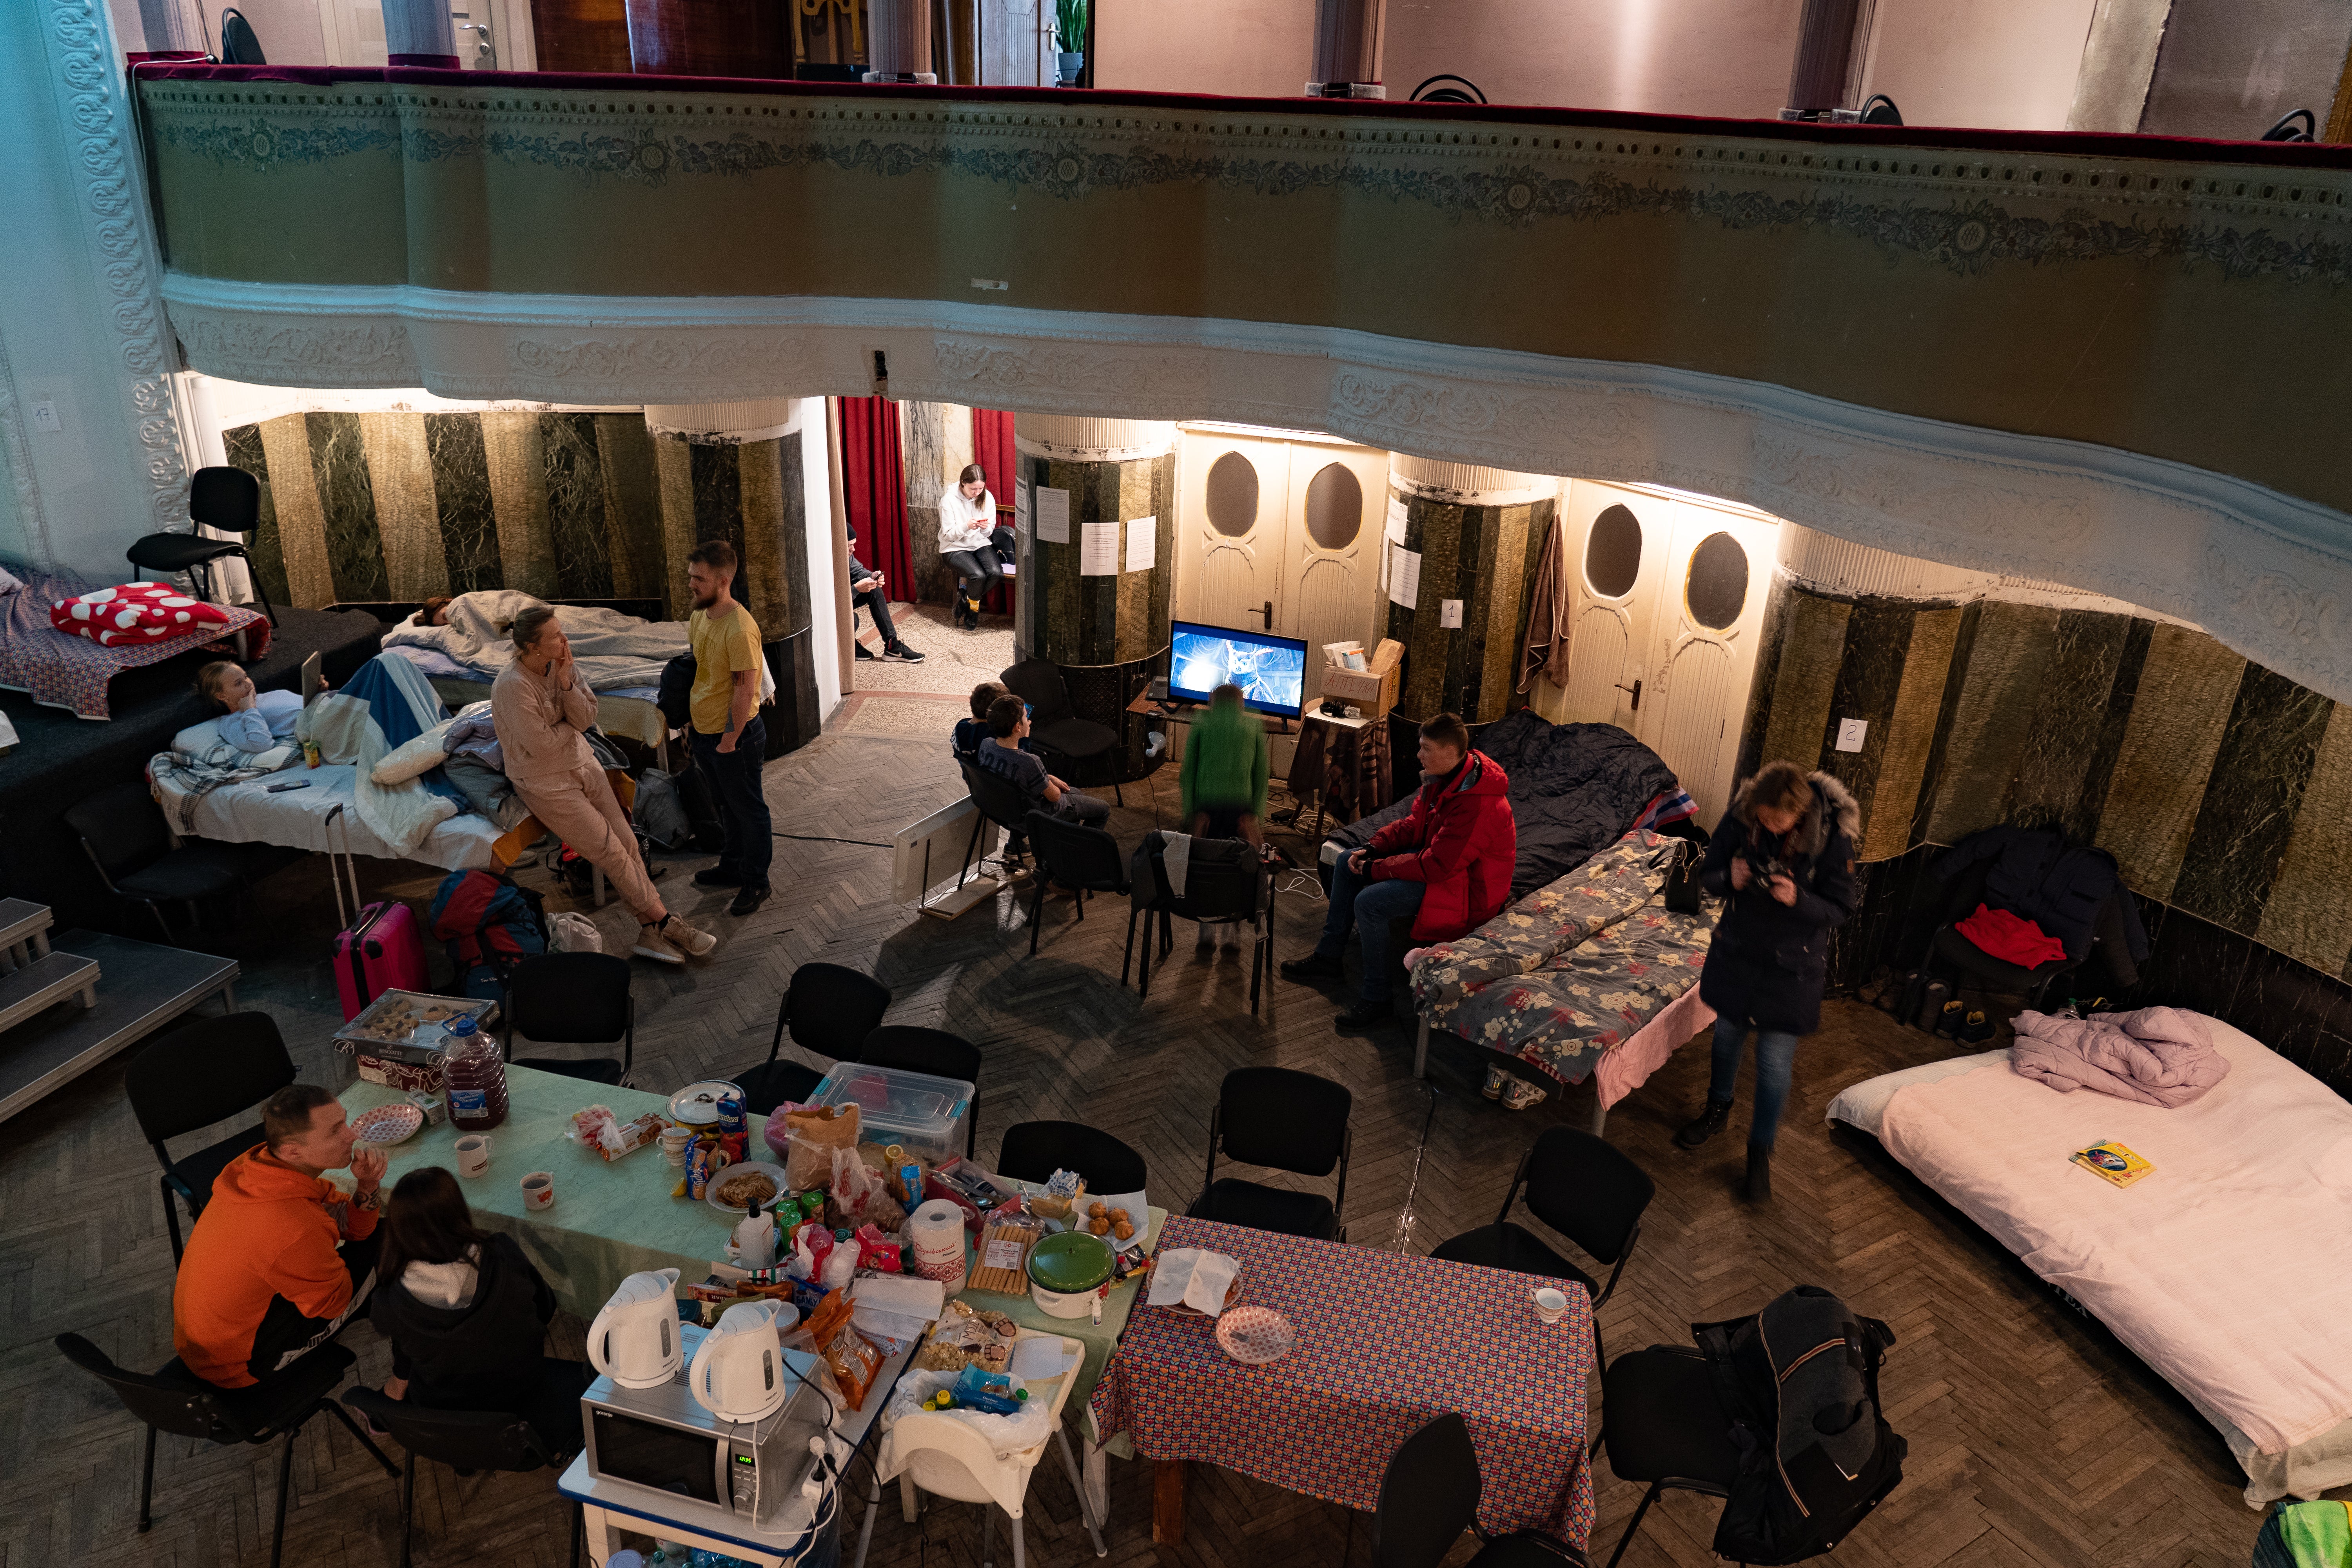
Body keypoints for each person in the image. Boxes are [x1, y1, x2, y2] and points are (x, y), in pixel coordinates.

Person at [493, 603, 716, 965]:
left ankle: (649, 933)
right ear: (533, 647)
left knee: (627, 841)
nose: (566, 640)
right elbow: (541, 746)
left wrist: (566, 684)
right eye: (556, 636)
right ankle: (665, 922)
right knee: (609, 851)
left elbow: (587, 717)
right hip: (545, 782)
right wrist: (569, 727)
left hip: (583, 764)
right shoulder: (512, 686)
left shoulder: (563, 664)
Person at [1677, 760, 1858, 1202]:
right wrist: (1730, 878)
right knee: (1725, 1037)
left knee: (1775, 1065)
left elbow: (1841, 909)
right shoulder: (1744, 814)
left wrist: (1799, 898)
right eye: (1763, 818)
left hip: (1791, 969)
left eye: (1778, 821)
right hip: (1738, 952)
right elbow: (1710, 873)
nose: (1768, 826)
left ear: (1801, 813)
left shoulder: (1832, 837)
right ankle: (1717, 1108)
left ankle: (1759, 1151)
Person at [1281, 712, 1514, 1035]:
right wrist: (1374, 848)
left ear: (1453, 752)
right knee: (1348, 859)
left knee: (1370, 902)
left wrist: (1376, 869)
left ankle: (1378, 999)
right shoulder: (1446, 779)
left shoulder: (1480, 803)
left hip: (1467, 891)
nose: (1419, 755)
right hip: (1445, 871)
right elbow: (1413, 824)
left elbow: (1438, 866)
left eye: (1426, 748)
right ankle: (1328, 958)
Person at [171, 1085, 387, 1388]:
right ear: (292, 1151)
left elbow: (350, 1225)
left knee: (375, 1235)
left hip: (208, 1339)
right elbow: (335, 1305)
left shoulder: (258, 1170)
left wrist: (367, 1185)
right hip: (239, 1366)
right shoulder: (294, 1227)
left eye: (345, 1121)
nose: (352, 1135)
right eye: (336, 1131)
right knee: (390, 1245)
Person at [367, 1167, 592, 1454]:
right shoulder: (501, 1251)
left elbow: (408, 1349)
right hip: (523, 1391)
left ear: (396, 1229)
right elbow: (546, 1307)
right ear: (460, 1211)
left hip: (446, 1418)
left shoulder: (390, 1302)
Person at [685, 540, 775, 916]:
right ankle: (732, 867)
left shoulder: (740, 629)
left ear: (724, 581)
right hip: (705, 732)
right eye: (690, 576)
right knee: (725, 806)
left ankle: (757, 881)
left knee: (749, 810)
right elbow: (703, 672)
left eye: (699, 579)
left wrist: (730, 739)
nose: (691, 584)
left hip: (734, 738)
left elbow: (745, 688)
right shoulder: (700, 615)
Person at [978, 693, 1108, 825]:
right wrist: (1048, 781)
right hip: (1040, 814)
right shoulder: (1030, 762)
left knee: (1076, 793)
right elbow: (1055, 797)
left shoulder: (986, 745)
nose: (1029, 721)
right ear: (1017, 727)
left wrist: (1048, 778)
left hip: (1008, 811)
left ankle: (1016, 845)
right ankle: (1080, 844)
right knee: (1104, 810)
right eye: (1025, 716)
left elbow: (1012, 771)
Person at [1178, 683, 1268, 848]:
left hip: (1206, 803)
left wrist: (1189, 813)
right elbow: (1261, 774)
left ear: (1212, 700)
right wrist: (1256, 814)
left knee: (1198, 850)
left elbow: (1189, 771)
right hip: (1241, 805)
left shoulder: (1201, 720)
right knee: (1248, 854)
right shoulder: (1253, 723)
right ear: (1241, 703)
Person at [846, 520, 922, 662]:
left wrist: (872, 577)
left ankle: (892, 646)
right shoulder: (823, 562)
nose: (853, 550)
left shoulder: (847, 556)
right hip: (827, 610)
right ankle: (848, 645)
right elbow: (830, 603)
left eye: (854, 544)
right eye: (849, 545)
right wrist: (856, 589)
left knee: (874, 590)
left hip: (843, 599)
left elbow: (858, 570)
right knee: (852, 620)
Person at [939, 463, 999, 630]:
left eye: (981, 488)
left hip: (980, 543)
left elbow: (989, 532)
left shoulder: (987, 497)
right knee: (978, 576)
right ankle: (974, 610)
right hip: (954, 547)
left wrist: (985, 527)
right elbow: (948, 534)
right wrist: (966, 526)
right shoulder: (949, 501)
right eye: (974, 489)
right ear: (963, 483)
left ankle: (966, 597)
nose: (977, 493)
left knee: (996, 573)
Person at [195, 660, 301, 754]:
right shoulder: (230, 723)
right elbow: (262, 745)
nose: (248, 684)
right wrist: (249, 710)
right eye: (238, 683)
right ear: (222, 696)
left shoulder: (269, 695)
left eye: (246, 677)